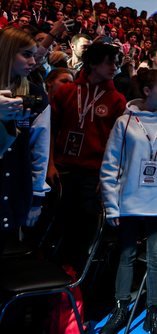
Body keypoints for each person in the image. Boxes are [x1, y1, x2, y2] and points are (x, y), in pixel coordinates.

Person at [98, 69, 157, 334]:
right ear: (147, 90)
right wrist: (111, 205)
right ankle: (121, 308)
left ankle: (153, 312)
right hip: (129, 201)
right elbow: (110, 166)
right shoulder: (125, 122)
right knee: (126, 257)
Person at [48, 43, 126, 215]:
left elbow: (119, 144)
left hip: (94, 173)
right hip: (61, 168)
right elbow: (50, 130)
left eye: (116, 63)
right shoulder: (66, 91)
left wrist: (108, 175)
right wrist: (50, 164)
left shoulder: (118, 99)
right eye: (109, 63)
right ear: (92, 63)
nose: (114, 68)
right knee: (57, 218)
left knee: (83, 222)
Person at [0, 28, 50, 255]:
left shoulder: (36, 95)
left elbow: (39, 150)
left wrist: (37, 197)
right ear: (8, 53)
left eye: (34, 55)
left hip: (13, 189)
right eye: (26, 54)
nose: (33, 61)